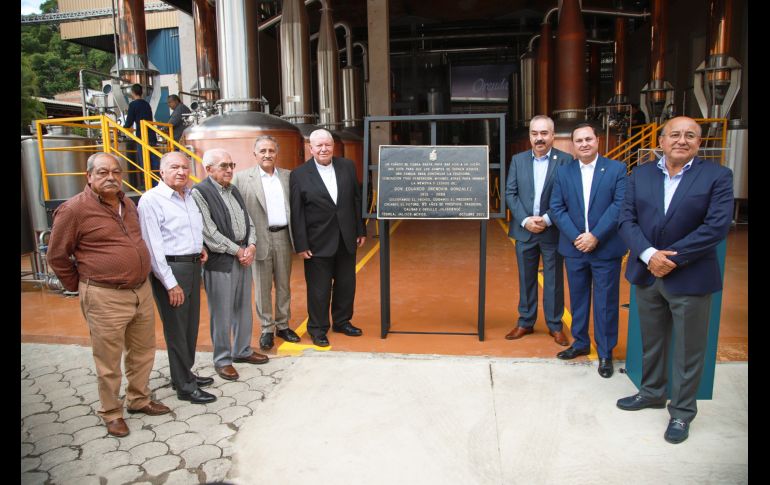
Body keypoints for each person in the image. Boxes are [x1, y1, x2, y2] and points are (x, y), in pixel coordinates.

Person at [616, 116, 733, 444]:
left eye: (690, 135)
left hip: (691, 275)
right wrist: (648, 254)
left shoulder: (717, 176)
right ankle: (652, 392)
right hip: (647, 272)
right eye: (675, 134)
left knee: (688, 349)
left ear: (699, 142)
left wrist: (670, 259)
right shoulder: (639, 175)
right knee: (652, 340)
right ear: (662, 141)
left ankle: (682, 412)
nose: (682, 140)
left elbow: (716, 226)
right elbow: (626, 219)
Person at [47, 152, 170, 438]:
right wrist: (81, 285)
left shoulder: (128, 204)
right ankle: (112, 412)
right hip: (105, 295)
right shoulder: (74, 210)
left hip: (140, 290)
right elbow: (57, 255)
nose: (111, 177)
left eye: (116, 172)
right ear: (89, 176)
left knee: (142, 351)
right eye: (103, 172)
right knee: (108, 359)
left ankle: (139, 399)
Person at [549, 123, 627, 378]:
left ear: (597, 141)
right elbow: (557, 208)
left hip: (605, 248)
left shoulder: (616, 169)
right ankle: (580, 342)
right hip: (575, 249)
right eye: (579, 140)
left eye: (588, 139)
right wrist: (577, 237)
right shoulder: (564, 172)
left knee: (606, 302)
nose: (584, 144)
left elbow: (619, 206)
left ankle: (605, 352)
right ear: (573, 145)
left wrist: (595, 236)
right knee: (578, 299)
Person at [138, 151, 216, 404]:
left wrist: (199, 247)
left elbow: (188, 230)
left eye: (185, 167)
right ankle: (184, 387)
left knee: (190, 326)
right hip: (172, 271)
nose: (181, 172)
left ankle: (184, 373)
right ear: (161, 172)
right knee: (177, 329)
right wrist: (170, 284)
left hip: (192, 266)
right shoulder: (151, 200)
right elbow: (153, 247)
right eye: (174, 167)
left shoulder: (189, 196)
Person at [191, 148, 269, 381]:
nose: (229, 170)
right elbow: (209, 232)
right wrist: (239, 251)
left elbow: (249, 221)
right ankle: (223, 359)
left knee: (243, 308)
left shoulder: (233, 190)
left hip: (243, 257)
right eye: (223, 165)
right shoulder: (200, 193)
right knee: (222, 313)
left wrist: (251, 245)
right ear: (209, 169)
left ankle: (242, 350)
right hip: (221, 261)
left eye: (231, 165)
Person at [290, 129, 366, 348]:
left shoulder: (347, 166)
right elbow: (297, 212)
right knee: (319, 289)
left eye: (328, 145)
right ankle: (317, 328)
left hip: (346, 237)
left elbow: (355, 200)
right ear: (311, 148)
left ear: (333, 146)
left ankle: (342, 322)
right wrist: (301, 244)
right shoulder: (299, 174)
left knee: (346, 285)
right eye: (319, 145)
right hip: (317, 242)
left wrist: (360, 229)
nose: (324, 149)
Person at [504, 115, 572, 346]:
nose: (539, 138)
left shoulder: (566, 160)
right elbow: (510, 193)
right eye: (535, 133)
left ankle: (555, 325)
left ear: (552, 135)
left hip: (552, 230)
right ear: (530, 136)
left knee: (553, 280)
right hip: (524, 231)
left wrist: (546, 219)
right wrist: (525, 220)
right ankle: (525, 322)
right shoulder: (518, 160)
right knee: (526, 278)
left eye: (544, 133)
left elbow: (567, 196)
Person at [233, 136, 301, 351]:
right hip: (257, 239)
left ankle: (283, 325)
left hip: (283, 236)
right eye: (262, 151)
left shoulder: (288, 176)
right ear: (255, 154)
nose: (267, 154)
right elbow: (235, 211)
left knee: (283, 284)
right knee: (262, 287)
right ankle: (267, 329)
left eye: (271, 150)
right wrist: (243, 242)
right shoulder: (241, 178)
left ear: (276, 153)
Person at [123, 83, 159, 185]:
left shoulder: (133, 105)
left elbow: (129, 122)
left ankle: (150, 185)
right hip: (151, 135)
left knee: (145, 163)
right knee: (154, 162)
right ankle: (157, 184)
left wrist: (122, 130)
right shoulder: (146, 104)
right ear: (141, 92)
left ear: (132, 92)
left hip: (142, 136)